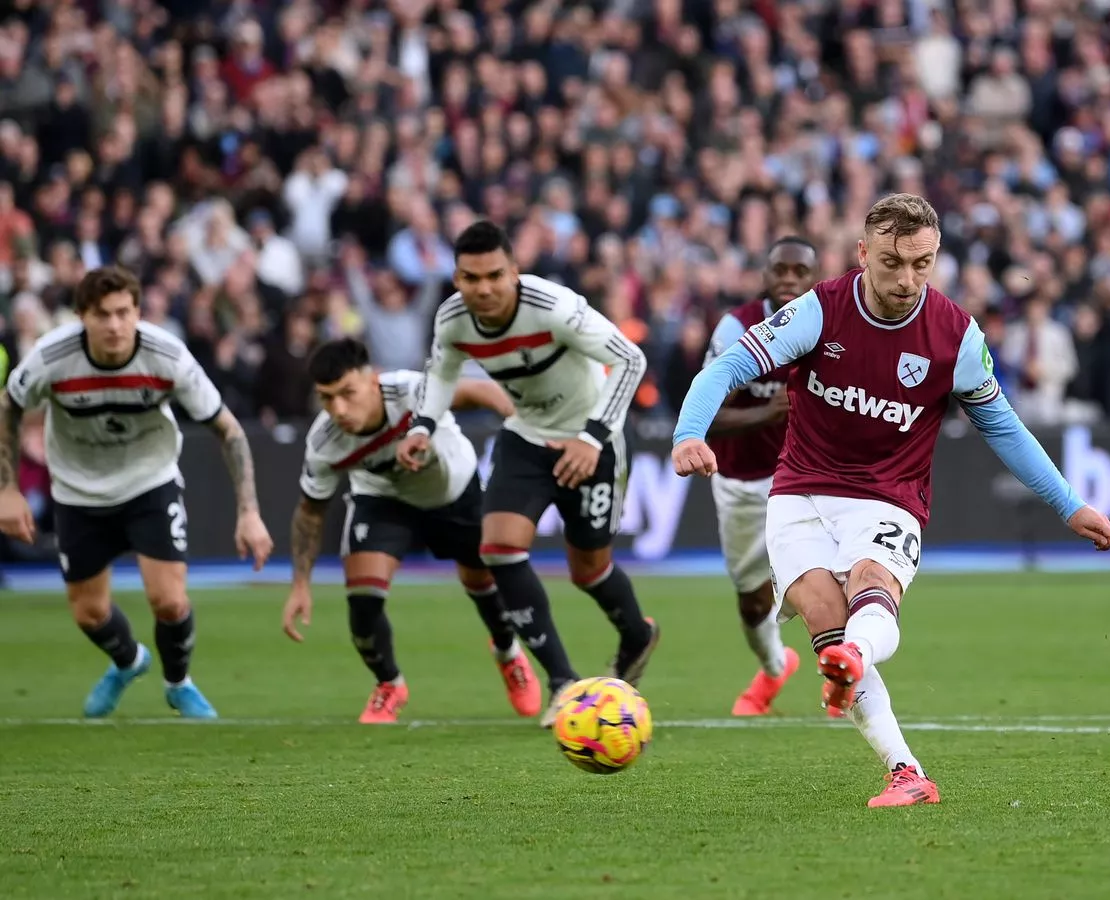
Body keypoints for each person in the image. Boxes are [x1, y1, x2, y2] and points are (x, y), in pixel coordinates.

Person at [671, 194, 1110, 807]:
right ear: (863, 255)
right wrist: (689, 433)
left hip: (888, 496)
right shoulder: (819, 310)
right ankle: (906, 772)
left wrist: (1069, 504)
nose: (908, 280)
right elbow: (723, 371)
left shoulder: (955, 335)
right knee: (829, 629)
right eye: (892, 262)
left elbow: (1003, 426)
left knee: (869, 589)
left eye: (923, 264)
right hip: (799, 493)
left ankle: (855, 655)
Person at [396, 221, 658, 726]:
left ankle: (638, 635)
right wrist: (422, 426)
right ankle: (563, 682)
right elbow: (441, 371)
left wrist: (592, 437)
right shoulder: (452, 319)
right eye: (472, 278)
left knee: (588, 570)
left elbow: (631, 359)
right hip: (526, 435)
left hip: (590, 437)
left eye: (496, 274)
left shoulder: (553, 306)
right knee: (497, 548)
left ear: (515, 271)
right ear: (456, 279)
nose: (485, 288)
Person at [0, 265, 274, 719]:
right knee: (89, 613)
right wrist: (7, 489)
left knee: (169, 600)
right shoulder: (52, 357)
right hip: (77, 492)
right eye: (102, 314)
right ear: (81, 316)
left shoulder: (168, 356)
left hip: (149, 482)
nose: (114, 325)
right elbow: (8, 407)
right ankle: (129, 662)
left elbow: (229, 430)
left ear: (138, 312)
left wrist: (249, 511)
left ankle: (178, 683)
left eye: (124, 312)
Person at [282, 337, 554, 724]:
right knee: (362, 598)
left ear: (373, 381)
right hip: (384, 500)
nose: (338, 409)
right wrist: (300, 584)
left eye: (347, 393)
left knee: (484, 586)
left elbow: (478, 390)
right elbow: (310, 512)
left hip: (455, 492)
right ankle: (389, 683)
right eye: (326, 398)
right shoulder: (325, 443)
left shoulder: (413, 391)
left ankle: (508, 652)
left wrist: (522, 422)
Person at [704, 237, 820, 716]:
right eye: (780, 270)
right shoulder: (736, 327)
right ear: (765, 274)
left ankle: (848, 677)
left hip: (805, 479)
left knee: (832, 582)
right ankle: (775, 666)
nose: (789, 279)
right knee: (754, 603)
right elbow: (707, 413)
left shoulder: (825, 322)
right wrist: (767, 415)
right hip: (740, 481)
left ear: (814, 277)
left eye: (800, 271)